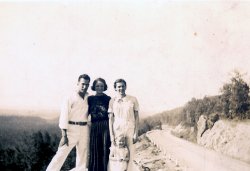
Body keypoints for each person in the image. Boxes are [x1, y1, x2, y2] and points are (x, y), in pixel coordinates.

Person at [46, 74, 91, 171]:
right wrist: (64, 135)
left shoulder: (89, 97)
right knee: (61, 153)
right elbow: (64, 116)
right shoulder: (69, 97)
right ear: (78, 83)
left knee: (83, 155)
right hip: (71, 128)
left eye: (87, 84)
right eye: (83, 84)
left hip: (84, 128)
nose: (85, 86)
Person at [108, 79, 139, 171]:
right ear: (115, 88)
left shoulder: (132, 99)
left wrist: (136, 133)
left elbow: (137, 117)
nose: (121, 88)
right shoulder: (112, 101)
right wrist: (111, 135)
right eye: (118, 86)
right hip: (117, 130)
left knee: (131, 153)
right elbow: (110, 119)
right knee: (116, 154)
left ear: (125, 87)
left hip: (130, 129)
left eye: (122, 86)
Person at [88, 78, 111, 171]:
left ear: (104, 87)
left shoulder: (108, 99)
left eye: (101, 86)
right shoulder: (90, 99)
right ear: (94, 87)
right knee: (95, 149)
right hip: (94, 126)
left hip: (106, 126)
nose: (99, 88)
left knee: (105, 148)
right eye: (97, 86)